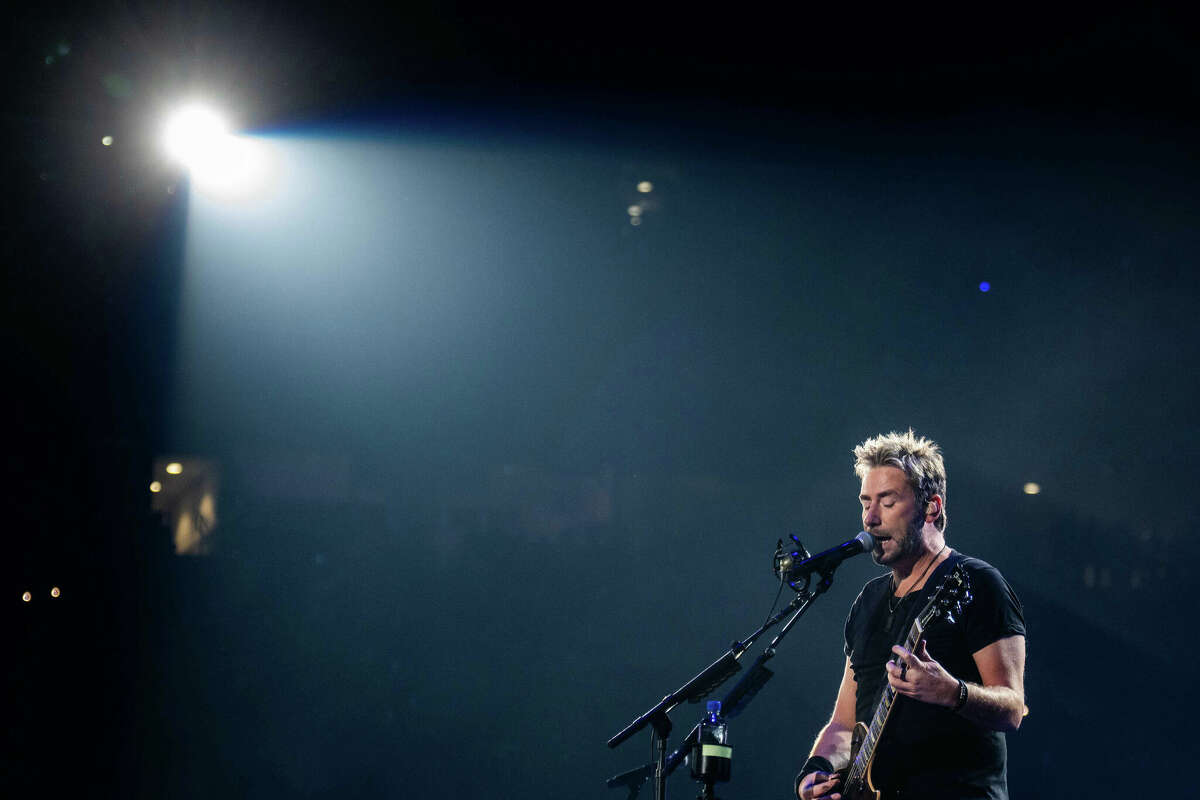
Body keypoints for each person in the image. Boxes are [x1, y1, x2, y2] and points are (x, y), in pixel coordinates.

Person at [795, 430, 1026, 800]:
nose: (869, 518)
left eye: (886, 502)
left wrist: (954, 693)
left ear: (931, 508)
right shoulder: (868, 601)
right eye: (865, 502)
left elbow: (1013, 708)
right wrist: (814, 772)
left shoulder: (977, 583)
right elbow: (842, 724)